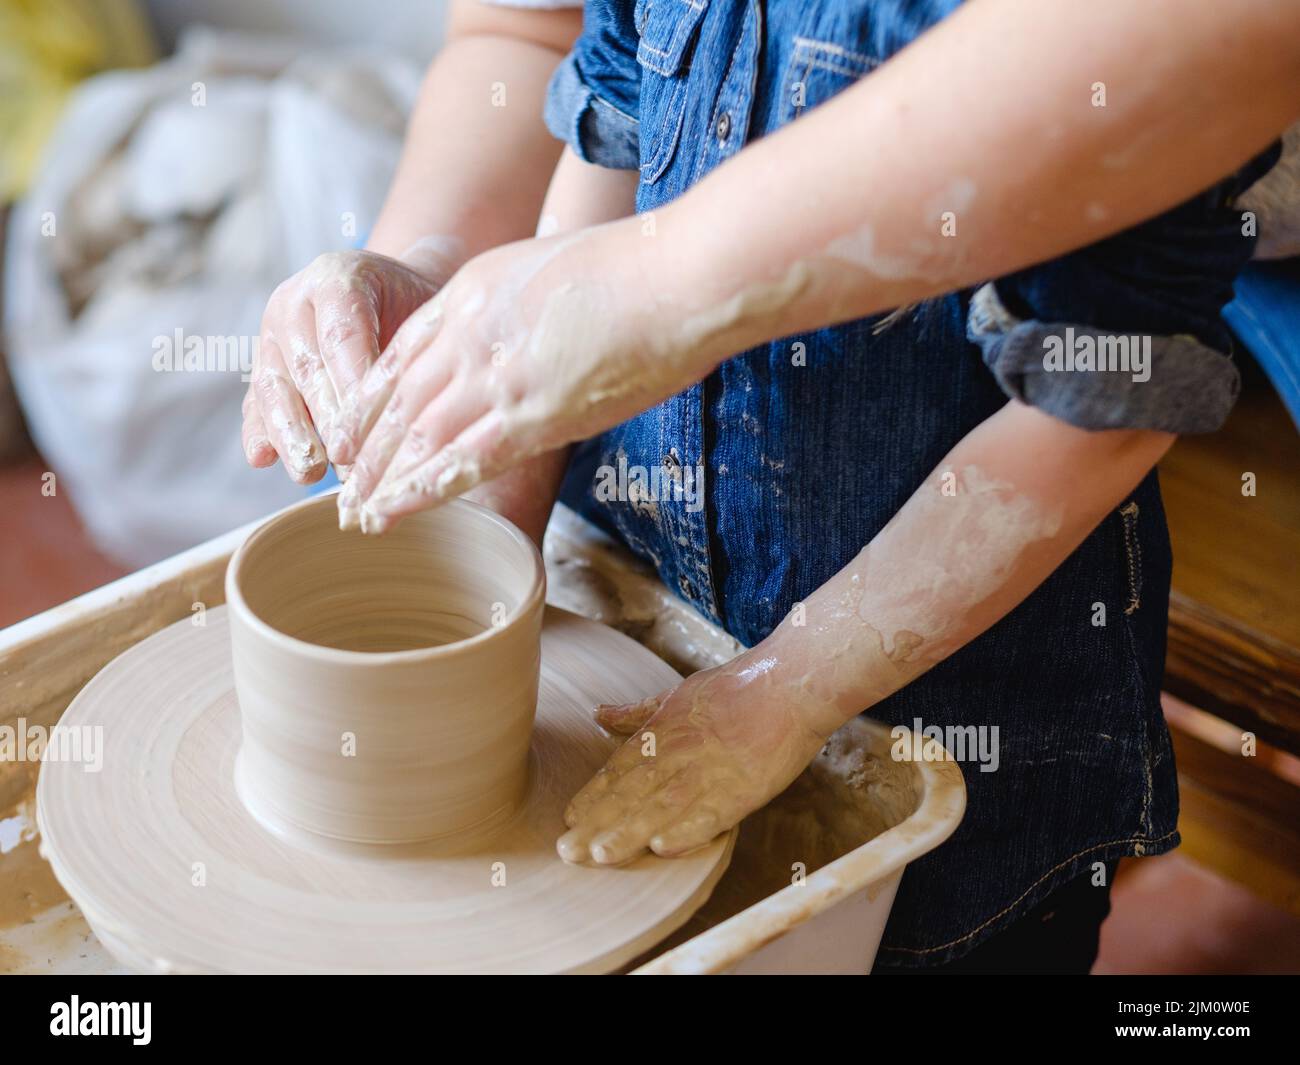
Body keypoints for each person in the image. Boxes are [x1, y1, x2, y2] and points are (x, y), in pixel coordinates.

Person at [244, 0, 1300, 972]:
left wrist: (792, 687)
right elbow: (601, 129)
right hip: (656, 580)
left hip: (955, 720)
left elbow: (1108, 389)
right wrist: (490, 495)